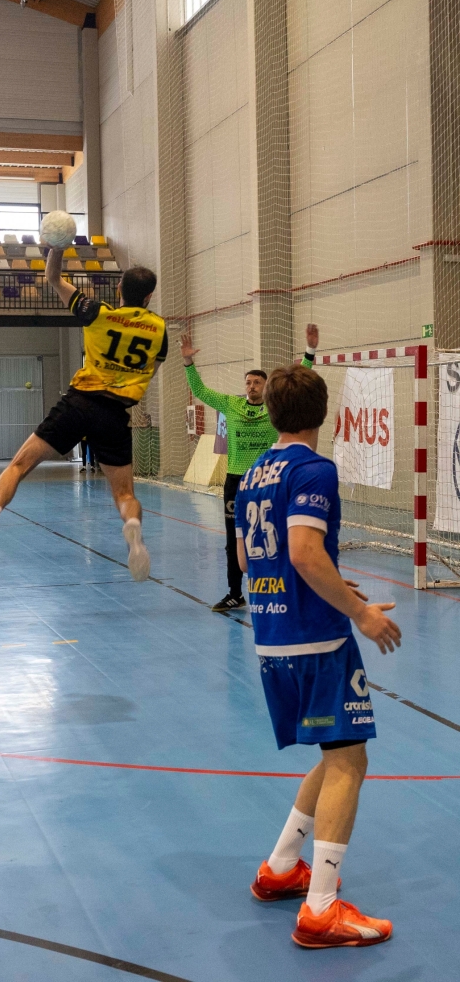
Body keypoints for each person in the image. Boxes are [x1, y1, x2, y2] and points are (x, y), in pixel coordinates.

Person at [235, 363, 400, 948]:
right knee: (350, 762)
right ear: (323, 413)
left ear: (271, 413)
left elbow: (250, 559)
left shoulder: (253, 473)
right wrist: (360, 613)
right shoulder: (314, 470)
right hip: (317, 640)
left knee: (336, 754)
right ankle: (321, 910)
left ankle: (281, 868)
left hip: (271, 633)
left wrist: (328, 587)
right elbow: (304, 552)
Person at [0, 252, 168, 582]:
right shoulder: (159, 329)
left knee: (19, 465)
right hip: (115, 414)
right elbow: (152, 369)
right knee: (125, 494)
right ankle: (133, 527)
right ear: (149, 296)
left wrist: (58, 248)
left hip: (79, 403)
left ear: (118, 288)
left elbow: (53, 277)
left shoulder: (97, 312)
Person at [180, 325, 318, 612]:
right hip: (236, 481)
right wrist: (188, 361)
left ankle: (282, 587)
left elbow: (298, 385)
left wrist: (310, 351)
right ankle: (235, 593)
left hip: (267, 479)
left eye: (257, 382)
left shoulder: (275, 405)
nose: (252, 386)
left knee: (274, 534)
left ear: (266, 387)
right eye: (248, 382)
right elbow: (200, 390)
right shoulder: (230, 404)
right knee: (234, 539)